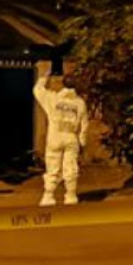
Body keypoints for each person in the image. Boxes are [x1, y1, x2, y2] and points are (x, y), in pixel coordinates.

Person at [33, 67, 89, 207]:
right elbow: (84, 125)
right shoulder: (80, 103)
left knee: (52, 167)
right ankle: (71, 196)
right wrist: (82, 142)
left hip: (55, 137)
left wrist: (44, 77)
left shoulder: (53, 98)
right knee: (71, 167)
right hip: (71, 138)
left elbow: (37, 91)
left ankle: (48, 196)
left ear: (63, 84)